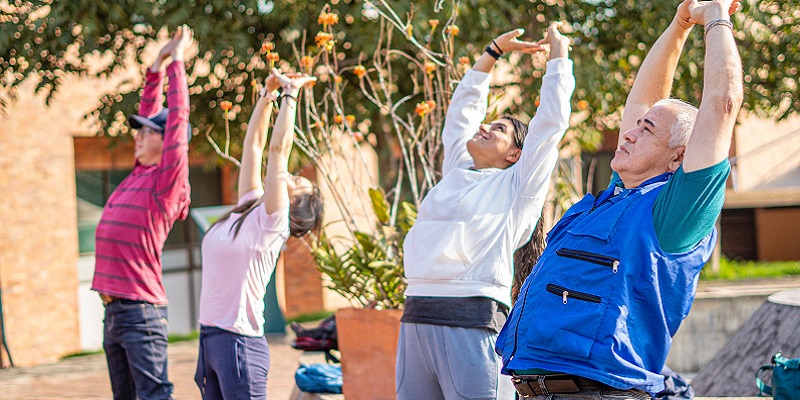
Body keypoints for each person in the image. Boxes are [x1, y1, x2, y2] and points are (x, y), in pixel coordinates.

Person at [496, 0, 743, 398]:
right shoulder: (616, 195)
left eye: (645, 131)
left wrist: (716, 15)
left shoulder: (675, 211)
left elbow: (722, 103)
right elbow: (642, 102)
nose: (627, 133)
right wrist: (679, 25)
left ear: (679, 157)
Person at [397, 23, 575, 400]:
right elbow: (462, 111)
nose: (484, 127)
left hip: (471, 318)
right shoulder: (457, 172)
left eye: (498, 129)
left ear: (515, 154)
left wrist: (559, 55)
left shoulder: (516, 188)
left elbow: (550, 124)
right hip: (415, 318)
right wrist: (493, 51)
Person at [194, 69, 322, 400]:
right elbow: (253, 146)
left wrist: (290, 95)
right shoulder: (250, 204)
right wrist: (267, 96)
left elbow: (277, 152)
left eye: (299, 184)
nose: (293, 176)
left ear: (295, 205)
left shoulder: (273, 222)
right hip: (210, 338)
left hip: (239, 344)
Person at [91, 25, 193, 400]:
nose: (138, 135)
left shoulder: (164, 184)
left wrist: (177, 63)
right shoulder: (139, 173)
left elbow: (177, 123)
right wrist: (156, 64)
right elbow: (150, 111)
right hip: (114, 311)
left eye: (147, 133)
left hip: (140, 314)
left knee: (153, 397)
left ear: (166, 143)